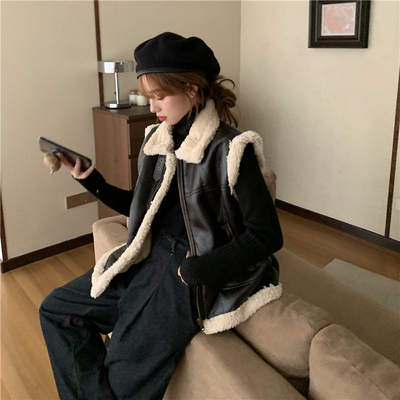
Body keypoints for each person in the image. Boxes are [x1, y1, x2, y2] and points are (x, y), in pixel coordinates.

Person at [40, 32, 283, 400]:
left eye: (159, 96)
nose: (152, 107)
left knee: (123, 378)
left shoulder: (233, 148)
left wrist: (200, 270)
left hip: (187, 269)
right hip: (147, 253)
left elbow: (267, 236)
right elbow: (143, 209)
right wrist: (92, 181)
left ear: (191, 88)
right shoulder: (159, 140)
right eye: (148, 97)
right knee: (57, 310)